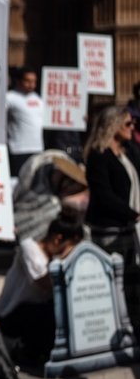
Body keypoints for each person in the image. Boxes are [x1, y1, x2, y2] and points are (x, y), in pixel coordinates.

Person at [0, 216, 84, 366]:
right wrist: (66, 257)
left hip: (35, 314)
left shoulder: (53, 258)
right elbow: (46, 283)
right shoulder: (29, 248)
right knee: (47, 312)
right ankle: (29, 349)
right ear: (58, 239)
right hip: (11, 316)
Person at [83, 105, 140, 328]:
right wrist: (133, 214)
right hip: (109, 229)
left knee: (131, 283)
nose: (132, 126)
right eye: (127, 123)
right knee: (114, 283)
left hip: (128, 228)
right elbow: (103, 194)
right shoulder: (99, 155)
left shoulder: (126, 154)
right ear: (113, 125)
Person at [6, 67, 44, 177]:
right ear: (18, 81)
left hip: (37, 149)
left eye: (34, 81)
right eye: (28, 81)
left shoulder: (39, 99)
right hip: (18, 149)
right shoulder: (10, 97)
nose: (32, 85)